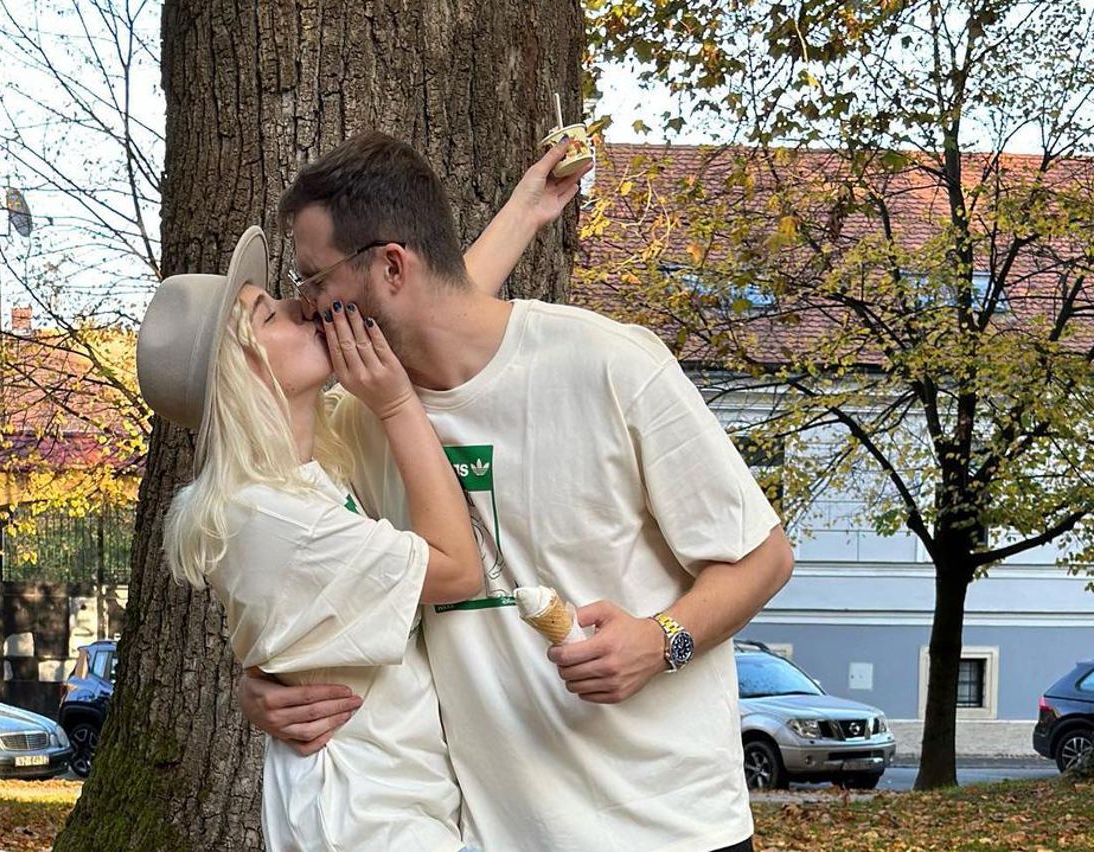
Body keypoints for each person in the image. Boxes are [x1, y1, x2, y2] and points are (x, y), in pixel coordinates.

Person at [241, 130, 796, 852]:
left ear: (392, 267)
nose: (307, 305)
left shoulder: (609, 365)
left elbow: (764, 557)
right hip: (496, 834)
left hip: (674, 828)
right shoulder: (359, 425)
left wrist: (663, 641)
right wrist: (266, 683)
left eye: (316, 280)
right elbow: (313, 580)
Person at [136, 144, 588, 852]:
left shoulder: (304, 475)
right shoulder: (272, 516)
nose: (300, 305)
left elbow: (432, 311)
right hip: (364, 818)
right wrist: (399, 405)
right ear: (243, 378)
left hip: (388, 804)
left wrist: (527, 210)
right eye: (269, 316)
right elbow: (458, 570)